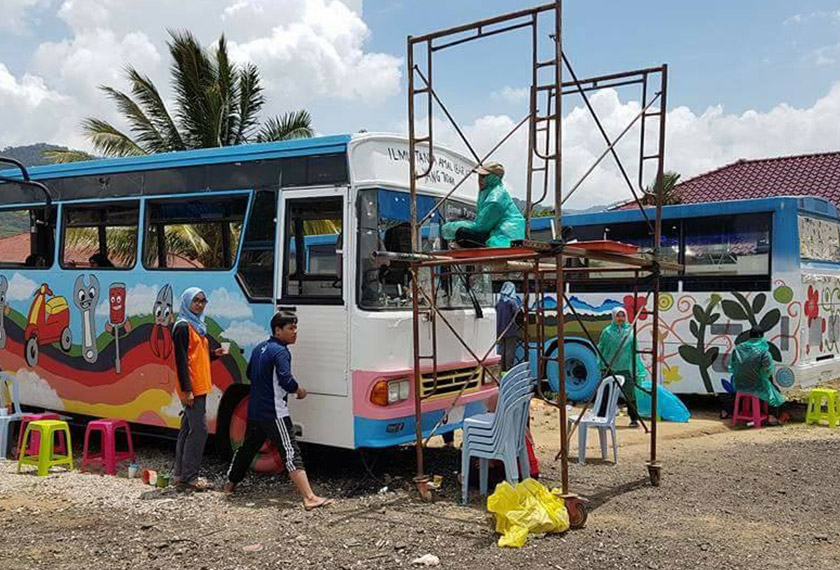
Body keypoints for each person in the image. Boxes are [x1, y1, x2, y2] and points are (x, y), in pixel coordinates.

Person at [223, 311, 333, 510]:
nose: (295, 332)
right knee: (291, 451)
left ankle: (229, 486)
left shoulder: (258, 348)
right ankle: (309, 497)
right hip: (274, 412)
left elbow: (249, 374)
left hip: (255, 411)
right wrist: (298, 390)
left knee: (247, 449)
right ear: (278, 330)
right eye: (291, 328)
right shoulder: (281, 352)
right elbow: (286, 379)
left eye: (295, 328)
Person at [172, 287, 226, 491]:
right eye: (196, 300)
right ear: (187, 302)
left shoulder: (197, 326)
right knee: (200, 431)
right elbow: (181, 361)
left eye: (203, 301)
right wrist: (187, 390)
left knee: (187, 429)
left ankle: (180, 475)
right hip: (191, 386)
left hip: (199, 384)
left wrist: (214, 354)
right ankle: (189, 478)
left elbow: (196, 356)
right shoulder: (182, 327)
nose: (200, 304)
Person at [441, 162, 525, 249]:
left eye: (484, 176)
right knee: (462, 234)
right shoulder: (489, 192)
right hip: (497, 234)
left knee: (462, 233)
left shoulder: (495, 199)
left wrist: (451, 227)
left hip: (504, 239)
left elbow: (481, 227)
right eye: (479, 176)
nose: (480, 180)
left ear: (494, 178)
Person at [596, 307, 648, 427]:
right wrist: (602, 364)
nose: (620, 319)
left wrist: (638, 367)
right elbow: (601, 348)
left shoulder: (629, 331)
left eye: (622, 316)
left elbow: (634, 350)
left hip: (625, 368)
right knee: (606, 393)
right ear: (614, 317)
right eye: (618, 316)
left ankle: (634, 419)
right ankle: (601, 418)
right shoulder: (607, 332)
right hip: (610, 368)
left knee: (630, 394)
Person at [729, 328, 785, 424]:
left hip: (739, 383)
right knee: (774, 390)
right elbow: (768, 370)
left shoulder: (738, 349)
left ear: (749, 336)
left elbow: (732, 367)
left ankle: (739, 413)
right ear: (761, 336)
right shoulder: (763, 352)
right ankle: (772, 415)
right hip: (756, 384)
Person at [496, 281, 522, 371]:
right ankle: (508, 371)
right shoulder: (512, 302)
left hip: (500, 331)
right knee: (509, 352)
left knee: (501, 351)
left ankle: (500, 371)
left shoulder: (499, 302)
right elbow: (517, 315)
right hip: (510, 331)